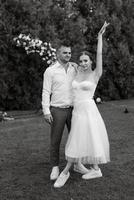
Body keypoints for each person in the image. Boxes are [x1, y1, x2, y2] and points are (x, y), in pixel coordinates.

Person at [54, 21, 110, 188]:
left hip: (89, 111)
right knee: (80, 140)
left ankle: (65, 172)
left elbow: (99, 55)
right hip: (77, 111)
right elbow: (63, 65)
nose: (84, 63)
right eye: (81, 61)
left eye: (86, 60)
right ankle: (95, 169)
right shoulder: (76, 71)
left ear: (91, 62)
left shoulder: (95, 74)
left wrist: (99, 37)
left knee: (81, 139)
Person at [42, 42, 90, 181]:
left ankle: (78, 164)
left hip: (74, 109)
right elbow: (46, 92)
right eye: (65, 52)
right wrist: (46, 111)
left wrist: (79, 67)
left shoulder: (74, 68)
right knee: (55, 140)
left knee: (76, 138)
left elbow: (87, 76)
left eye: (69, 52)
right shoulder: (50, 71)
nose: (68, 55)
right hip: (57, 109)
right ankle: (55, 167)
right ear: (58, 54)